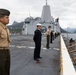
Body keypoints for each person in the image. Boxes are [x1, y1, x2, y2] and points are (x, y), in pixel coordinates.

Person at [0, 9, 11, 75]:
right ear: (0, 18)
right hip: (1, 52)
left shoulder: (5, 28)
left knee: (6, 70)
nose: (8, 19)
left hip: (6, 51)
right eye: (6, 17)